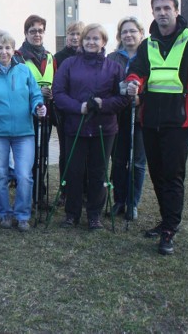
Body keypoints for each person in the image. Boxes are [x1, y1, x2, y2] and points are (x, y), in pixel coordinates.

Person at [125, 0, 188, 255]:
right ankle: (166, 220)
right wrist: (133, 83)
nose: (162, 13)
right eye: (157, 9)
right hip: (150, 119)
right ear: (152, 12)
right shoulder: (148, 44)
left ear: (176, 10)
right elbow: (138, 71)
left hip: (179, 120)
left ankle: (169, 230)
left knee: (173, 176)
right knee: (157, 174)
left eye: (167, 8)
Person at [52, 24, 128, 230]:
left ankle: (94, 215)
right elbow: (58, 93)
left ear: (103, 42)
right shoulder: (69, 64)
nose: (91, 42)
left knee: (98, 172)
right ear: (82, 41)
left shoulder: (114, 67)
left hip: (104, 128)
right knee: (74, 171)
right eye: (87, 38)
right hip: (76, 127)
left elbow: (123, 98)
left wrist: (103, 104)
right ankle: (72, 213)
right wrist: (79, 107)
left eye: (96, 39)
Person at [0, 32, 47, 231]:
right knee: (0, 176)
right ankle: (5, 213)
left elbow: (34, 96)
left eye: (7, 48)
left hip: (24, 133)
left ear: (13, 49)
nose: (4, 52)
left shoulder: (24, 71)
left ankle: (23, 215)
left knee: (24, 175)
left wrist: (38, 107)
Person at [107, 17, 147, 220]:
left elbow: (155, 85)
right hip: (117, 115)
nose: (128, 35)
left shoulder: (149, 55)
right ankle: (119, 200)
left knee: (137, 162)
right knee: (119, 160)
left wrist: (142, 97)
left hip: (140, 116)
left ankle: (133, 202)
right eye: (124, 32)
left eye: (132, 31)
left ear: (141, 33)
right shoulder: (113, 57)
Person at [16, 15, 56, 211]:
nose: (37, 34)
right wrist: (35, 93)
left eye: (40, 31)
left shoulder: (49, 57)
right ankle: (28, 198)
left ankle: (40, 195)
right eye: (33, 31)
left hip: (45, 113)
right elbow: (13, 87)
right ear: (26, 33)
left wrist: (52, 93)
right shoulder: (18, 57)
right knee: (28, 159)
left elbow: (56, 82)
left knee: (42, 155)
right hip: (25, 115)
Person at [52, 21, 85, 206]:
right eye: (71, 34)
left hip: (85, 112)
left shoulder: (88, 56)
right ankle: (65, 190)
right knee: (66, 153)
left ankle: (84, 190)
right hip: (65, 113)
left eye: (78, 34)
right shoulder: (59, 57)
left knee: (84, 154)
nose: (74, 37)